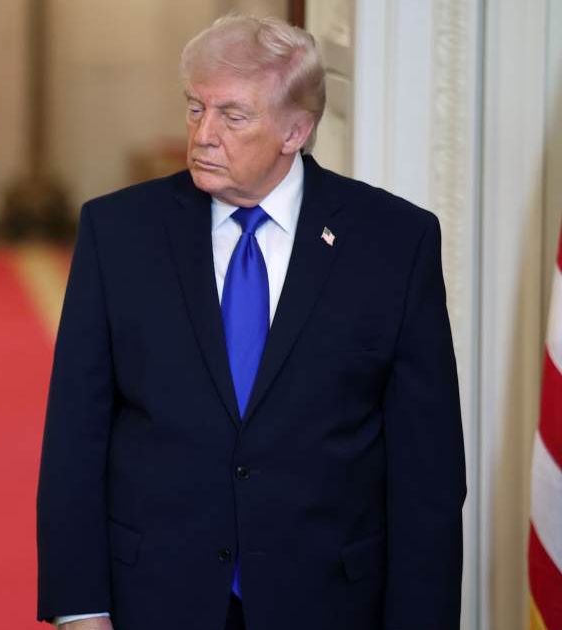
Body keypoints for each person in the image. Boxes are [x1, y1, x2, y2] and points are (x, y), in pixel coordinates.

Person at [36, 15, 465, 630]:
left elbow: (429, 474)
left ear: (296, 130)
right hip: (156, 599)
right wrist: (80, 609)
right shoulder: (118, 234)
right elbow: (75, 439)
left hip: (329, 604)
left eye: (233, 116)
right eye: (194, 108)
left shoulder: (394, 244)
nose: (203, 135)